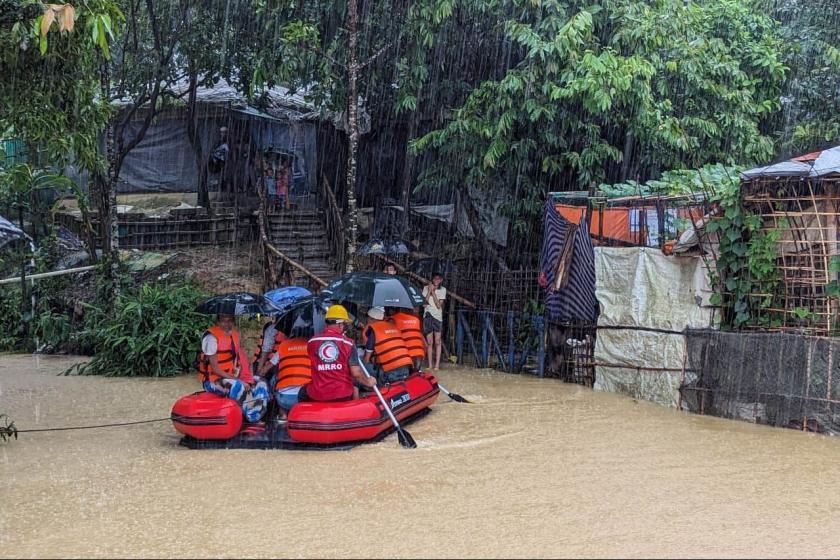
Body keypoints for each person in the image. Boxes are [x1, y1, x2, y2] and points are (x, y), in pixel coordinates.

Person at [197, 314, 269, 423]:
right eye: (223, 321)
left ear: (233, 322)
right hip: (212, 381)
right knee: (238, 386)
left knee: (260, 381)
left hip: (231, 376)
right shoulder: (210, 338)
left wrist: (246, 378)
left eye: (230, 320)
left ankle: (258, 413)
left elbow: (239, 362)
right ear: (218, 322)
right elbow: (215, 369)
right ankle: (253, 418)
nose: (227, 324)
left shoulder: (234, 335)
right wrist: (238, 380)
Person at [298, 304, 376, 403]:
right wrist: (367, 381)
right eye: (344, 324)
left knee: (302, 393)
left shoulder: (312, 342)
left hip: (318, 393)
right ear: (340, 324)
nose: (344, 327)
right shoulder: (349, 343)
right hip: (342, 394)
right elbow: (356, 373)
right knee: (353, 383)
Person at [362, 306, 413, 384]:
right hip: (406, 367)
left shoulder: (374, 330)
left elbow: (367, 359)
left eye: (368, 318)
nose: (367, 320)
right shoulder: (393, 326)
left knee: (363, 366)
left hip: (391, 371)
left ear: (372, 319)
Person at [266, 336, 312, 421]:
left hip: (284, 399)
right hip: (304, 398)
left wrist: (258, 375)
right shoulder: (312, 345)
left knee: (274, 379)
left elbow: (269, 365)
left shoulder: (283, 346)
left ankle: (282, 416)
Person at [388, 307, 425, 371]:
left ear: (391, 311)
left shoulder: (392, 320)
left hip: (406, 355)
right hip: (419, 354)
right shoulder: (416, 319)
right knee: (414, 375)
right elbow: (425, 344)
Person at [422, 272, 446, 371]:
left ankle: (436, 366)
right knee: (429, 342)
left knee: (437, 341)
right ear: (432, 279)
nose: (436, 280)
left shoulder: (443, 290)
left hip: (437, 317)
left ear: (441, 280)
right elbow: (424, 304)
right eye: (435, 279)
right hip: (427, 316)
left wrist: (433, 293)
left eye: (438, 279)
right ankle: (430, 365)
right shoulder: (425, 288)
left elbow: (438, 305)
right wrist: (429, 291)